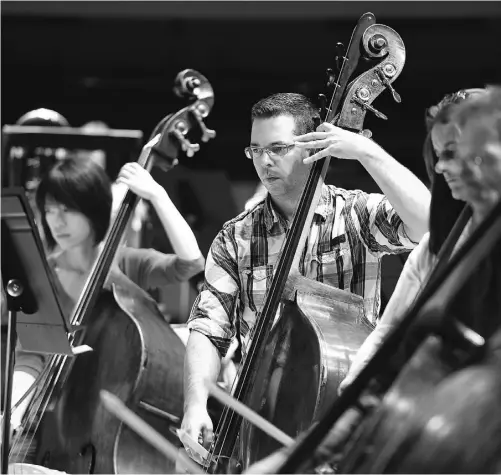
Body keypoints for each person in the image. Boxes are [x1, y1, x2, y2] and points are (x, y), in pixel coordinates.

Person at [244, 86, 501, 475]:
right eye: (443, 156)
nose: (454, 167)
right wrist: (324, 436)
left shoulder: (359, 214)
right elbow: (388, 340)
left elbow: (419, 217)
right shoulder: (438, 250)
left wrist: (366, 151)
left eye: (469, 155)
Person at [181, 92, 431, 455]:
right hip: (259, 412)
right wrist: (195, 404)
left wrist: (366, 151)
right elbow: (208, 328)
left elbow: (427, 224)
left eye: (278, 148)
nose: (264, 161)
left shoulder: (354, 215)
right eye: (255, 149)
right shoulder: (234, 237)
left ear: (311, 146)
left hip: (341, 411)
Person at [2, 156, 205, 442]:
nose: (56, 221)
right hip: (53, 427)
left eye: (67, 209)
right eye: (49, 210)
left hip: (115, 427)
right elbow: (30, 356)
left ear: (92, 210)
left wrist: (157, 195)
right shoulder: (40, 276)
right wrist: (13, 414)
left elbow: (190, 264)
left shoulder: (123, 265)